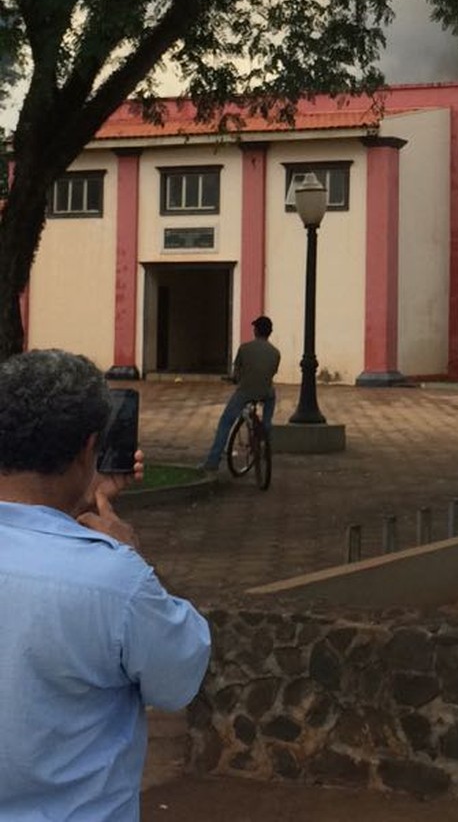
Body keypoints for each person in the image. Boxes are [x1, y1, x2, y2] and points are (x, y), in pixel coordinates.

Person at [0, 349, 211, 821]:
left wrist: (74, 507)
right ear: (87, 447)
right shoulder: (114, 579)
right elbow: (181, 676)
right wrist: (130, 553)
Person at [201, 314, 280, 471]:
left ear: (256, 330)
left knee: (225, 422)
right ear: (270, 332)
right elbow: (271, 373)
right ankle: (266, 433)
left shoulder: (244, 348)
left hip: (245, 391)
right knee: (269, 409)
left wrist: (236, 379)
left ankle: (212, 461)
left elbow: (237, 373)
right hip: (266, 391)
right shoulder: (275, 353)